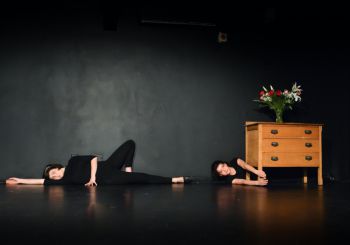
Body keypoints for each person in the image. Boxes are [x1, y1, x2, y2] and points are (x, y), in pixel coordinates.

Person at [6, 140, 191, 186]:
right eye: (52, 177)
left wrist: (92, 176)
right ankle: (175, 180)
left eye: (53, 172)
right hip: (108, 177)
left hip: (106, 166)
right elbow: (39, 182)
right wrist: (19, 180)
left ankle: (128, 169)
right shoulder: (64, 182)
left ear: (57, 167)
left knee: (130, 143)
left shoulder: (72, 161)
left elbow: (93, 158)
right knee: (141, 179)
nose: (54, 175)